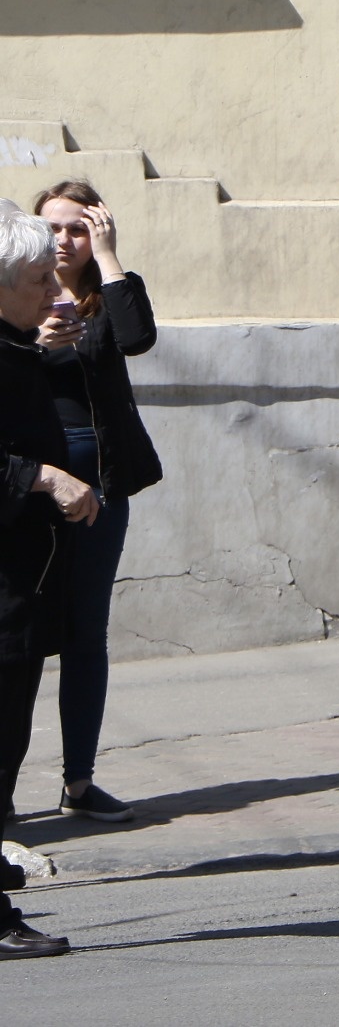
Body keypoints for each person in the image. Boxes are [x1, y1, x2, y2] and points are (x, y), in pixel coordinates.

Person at [32, 181, 162, 825]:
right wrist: (37, 347)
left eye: (79, 228)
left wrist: (110, 259)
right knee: (21, 637)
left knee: (88, 633)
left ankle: (78, 783)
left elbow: (137, 339)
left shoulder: (107, 293)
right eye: (54, 227)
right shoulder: (15, 295)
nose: (65, 240)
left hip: (104, 480)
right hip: (34, 485)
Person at [0, 201, 101, 957]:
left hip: (22, 584)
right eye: (39, 279)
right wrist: (42, 478)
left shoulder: (15, 343)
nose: (53, 290)